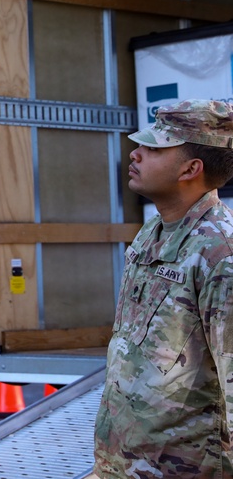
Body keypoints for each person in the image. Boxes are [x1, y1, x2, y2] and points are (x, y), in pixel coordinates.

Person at [94, 99, 233, 479]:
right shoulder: (153, 232)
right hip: (125, 465)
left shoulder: (220, 254)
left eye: (154, 148)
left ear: (191, 168)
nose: (135, 154)